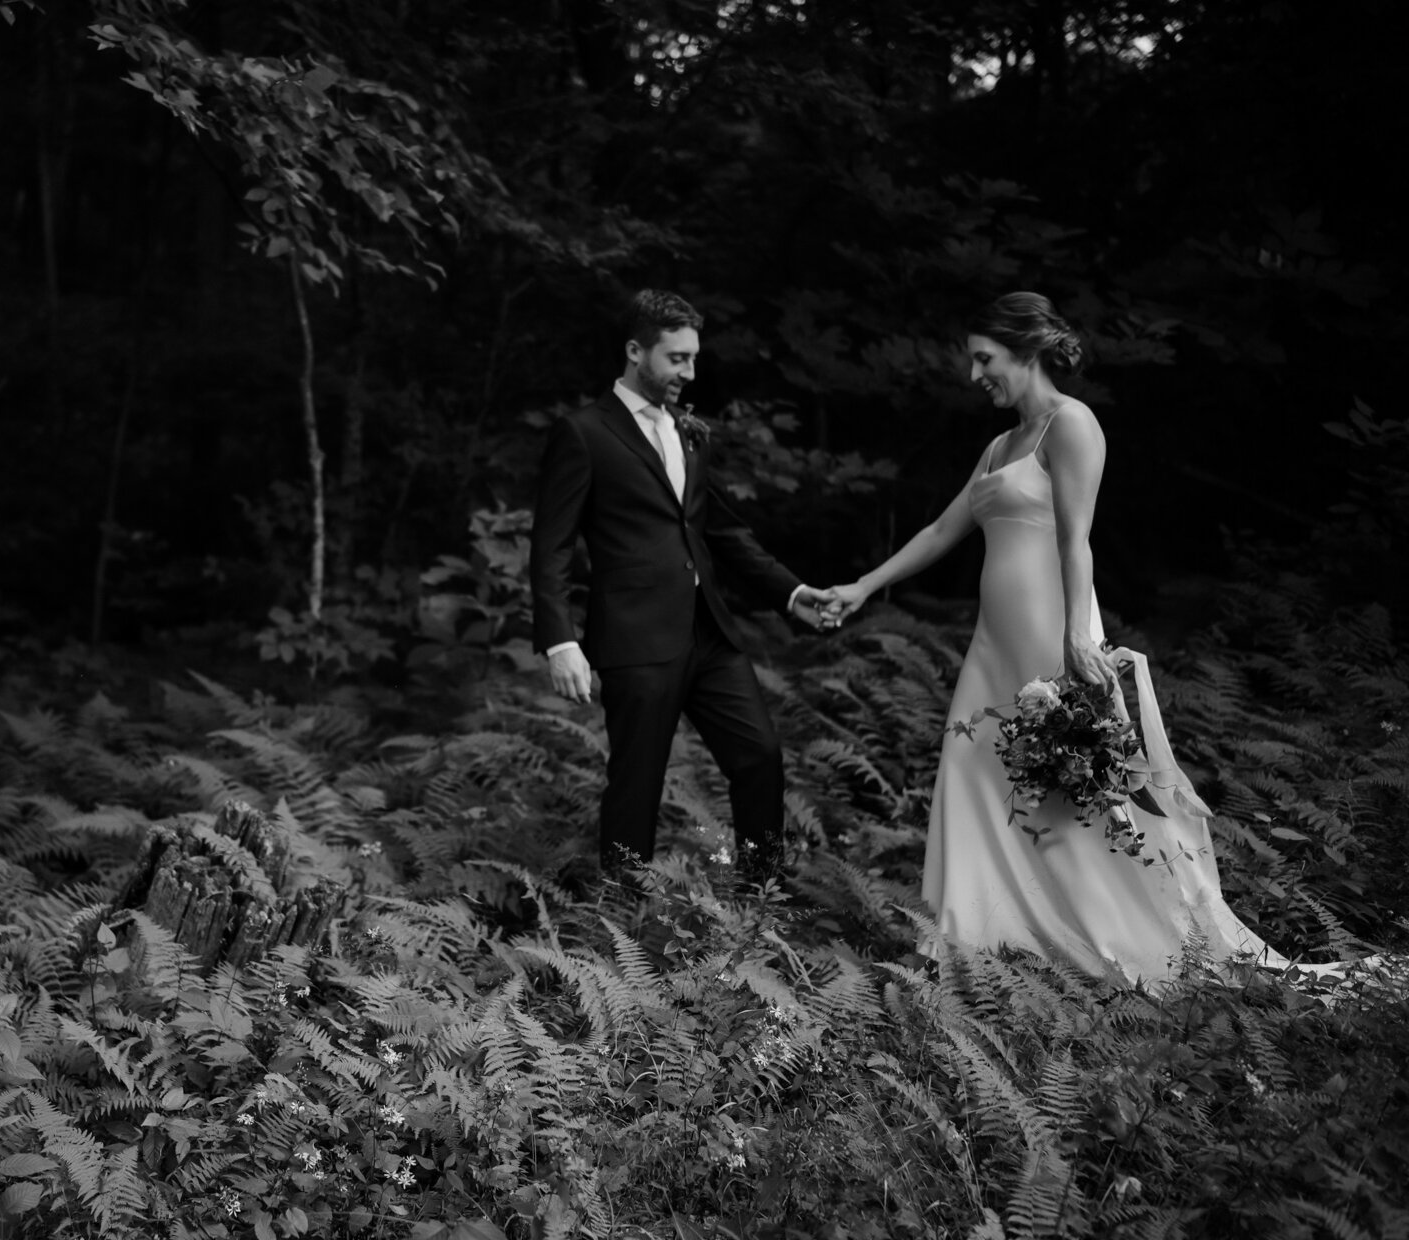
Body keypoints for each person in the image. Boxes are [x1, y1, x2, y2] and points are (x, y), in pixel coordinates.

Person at [820, 292, 1294, 982]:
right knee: (973, 773)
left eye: (985, 358)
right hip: (993, 647)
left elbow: (1077, 540)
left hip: (1054, 636)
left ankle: (1137, 944)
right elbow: (940, 531)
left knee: (1073, 793)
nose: (975, 373)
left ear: (1026, 350)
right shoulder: (999, 444)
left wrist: (1077, 634)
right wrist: (860, 587)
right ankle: (967, 944)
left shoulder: (1071, 425)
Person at [531, 289, 836, 875]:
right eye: (676, 358)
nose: (689, 372)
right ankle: (622, 919)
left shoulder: (691, 433)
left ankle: (760, 898)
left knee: (760, 757)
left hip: (710, 634)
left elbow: (720, 529)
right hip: (635, 637)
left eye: (694, 358)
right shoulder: (584, 433)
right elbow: (550, 546)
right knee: (637, 782)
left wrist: (792, 594)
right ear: (634, 351)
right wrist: (560, 640)